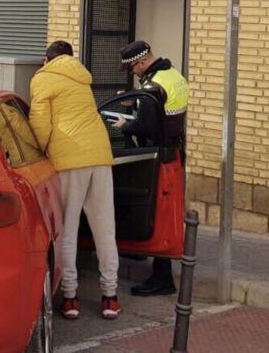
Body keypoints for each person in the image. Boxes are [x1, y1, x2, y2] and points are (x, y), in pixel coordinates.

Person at [29, 40, 121, 320]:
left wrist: (37, 153)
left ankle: (70, 298)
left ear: (47, 59)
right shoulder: (81, 77)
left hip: (69, 159)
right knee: (105, 228)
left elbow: (40, 122)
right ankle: (111, 297)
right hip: (100, 156)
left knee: (68, 230)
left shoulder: (43, 79)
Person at [112, 40, 189, 296]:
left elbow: (146, 126)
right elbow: (162, 113)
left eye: (133, 68)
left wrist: (125, 125)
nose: (133, 72)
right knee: (165, 213)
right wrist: (135, 102)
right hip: (173, 153)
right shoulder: (172, 74)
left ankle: (162, 278)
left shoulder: (153, 86)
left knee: (156, 215)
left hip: (157, 156)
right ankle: (150, 261)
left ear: (142, 62)